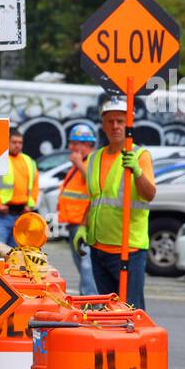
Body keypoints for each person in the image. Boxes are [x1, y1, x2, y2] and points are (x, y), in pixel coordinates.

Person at [75, 98, 157, 309]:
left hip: (127, 249)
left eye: (120, 121)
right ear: (103, 125)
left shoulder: (140, 156)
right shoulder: (94, 158)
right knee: (109, 311)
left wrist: (137, 173)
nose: (115, 126)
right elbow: (96, 200)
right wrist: (82, 228)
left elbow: (149, 195)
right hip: (98, 248)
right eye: (110, 121)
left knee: (130, 311)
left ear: (129, 124)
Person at [57, 123, 99, 296]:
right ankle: (89, 297)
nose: (71, 147)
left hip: (84, 223)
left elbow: (93, 184)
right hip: (74, 223)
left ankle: (90, 300)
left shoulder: (91, 162)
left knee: (86, 263)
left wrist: (79, 163)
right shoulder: (81, 163)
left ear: (86, 145)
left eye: (74, 143)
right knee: (82, 264)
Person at [0, 128, 38, 249]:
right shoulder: (0, 161)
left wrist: (30, 205)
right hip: (3, 214)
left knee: (17, 253)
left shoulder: (29, 161)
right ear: (7, 142)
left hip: (22, 214)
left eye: (20, 142)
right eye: (14, 142)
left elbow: (35, 186)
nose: (17, 145)